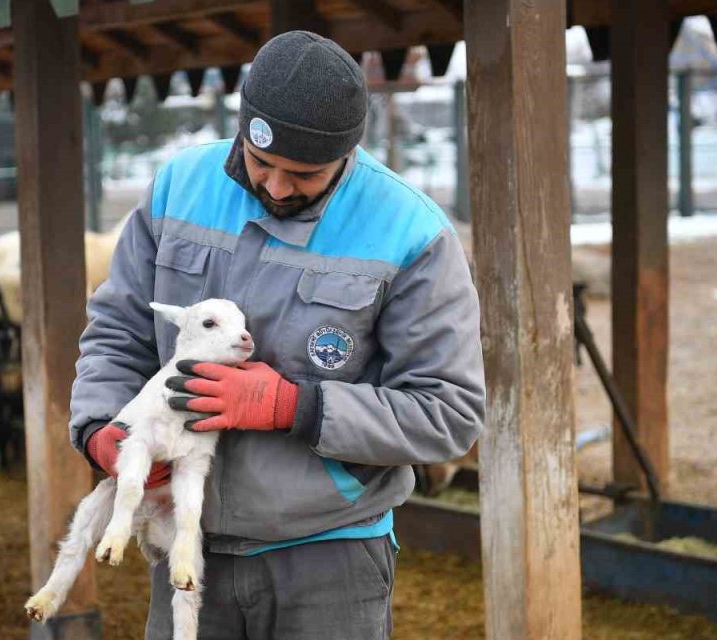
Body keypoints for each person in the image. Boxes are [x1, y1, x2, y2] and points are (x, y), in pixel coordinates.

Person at [69, 30, 485, 640]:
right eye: (261, 162)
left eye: (305, 173)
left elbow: (449, 412)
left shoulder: (411, 233)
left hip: (328, 555)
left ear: (348, 151)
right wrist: (100, 428)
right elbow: (116, 331)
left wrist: (295, 406)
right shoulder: (178, 187)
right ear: (244, 128)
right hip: (186, 542)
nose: (278, 186)